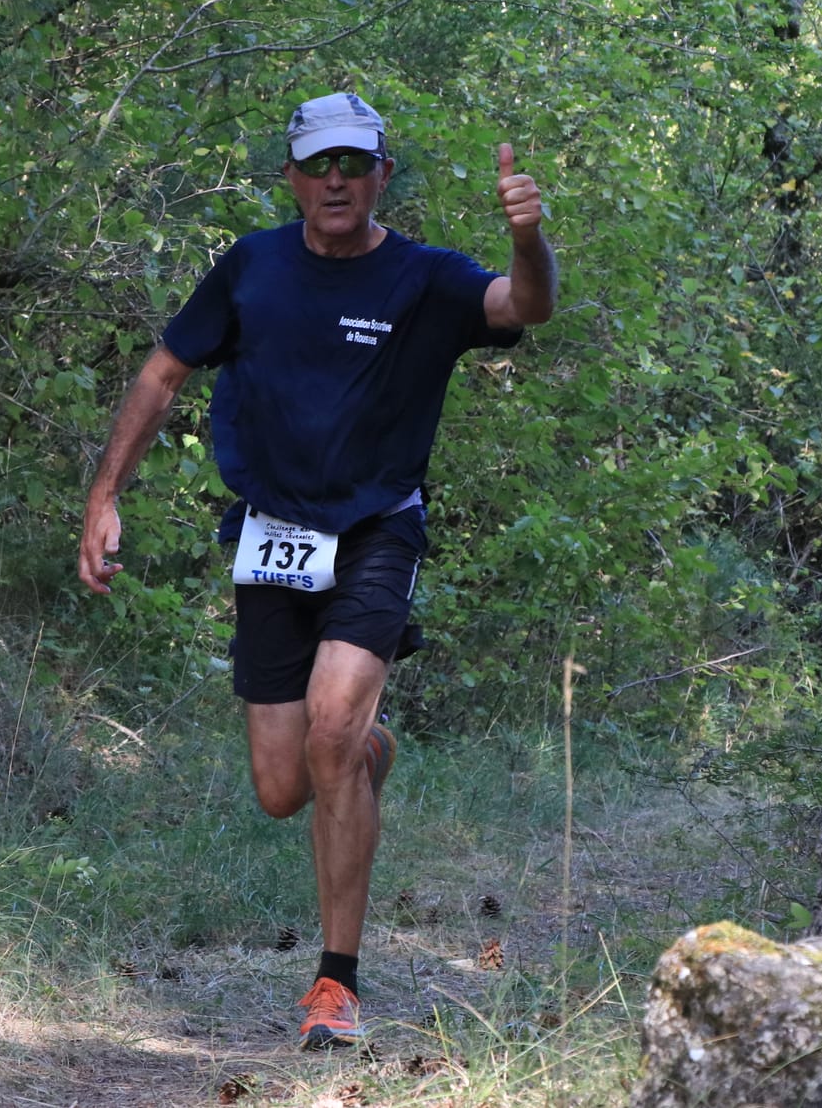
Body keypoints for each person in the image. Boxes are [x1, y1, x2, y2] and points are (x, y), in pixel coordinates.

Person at [76, 91, 558, 1049]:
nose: (335, 179)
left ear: (382, 173)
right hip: (272, 535)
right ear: (292, 178)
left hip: (379, 527)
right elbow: (164, 371)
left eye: (354, 162)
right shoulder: (252, 267)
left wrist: (528, 240)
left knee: (332, 730)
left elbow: (526, 306)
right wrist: (104, 493)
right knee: (282, 784)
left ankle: (334, 986)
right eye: (317, 164)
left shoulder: (424, 278)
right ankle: (364, 756)